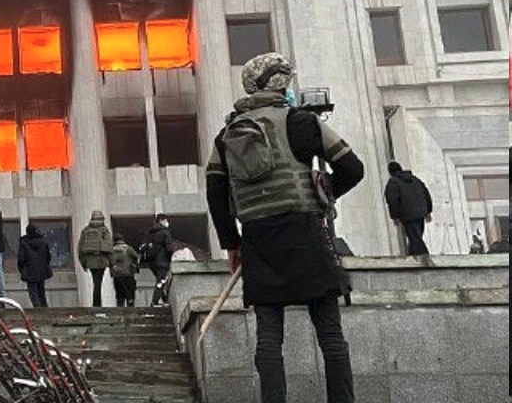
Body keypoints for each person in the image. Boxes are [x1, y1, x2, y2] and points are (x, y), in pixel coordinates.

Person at [206, 51, 364, 403]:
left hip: (258, 240)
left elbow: (215, 193)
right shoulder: (302, 121)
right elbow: (353, 167)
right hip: (306, 231)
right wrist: (323, 192)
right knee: (330, 334)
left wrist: (232, 244)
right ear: (281, 85)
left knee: (268, 337)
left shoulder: (227, 135)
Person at [384, 161, 433, 256]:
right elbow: (426, 193)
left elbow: (392, 200)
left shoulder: (393, 182)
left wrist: (395, 216)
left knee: (415, 238)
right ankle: (412, 257)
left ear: (390, 172)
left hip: (408, 214)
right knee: (415, 237)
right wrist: (428, 211)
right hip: (421, 213)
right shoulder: (415, 179)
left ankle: (426, 259)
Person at [76, 210, 112, 308]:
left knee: (95, 281)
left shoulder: (85, 230)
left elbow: (80, 248)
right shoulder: (104, 230)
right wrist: (111, 263)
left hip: (90, 260)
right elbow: (109, 246)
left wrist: (83, 263)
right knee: (98, 282)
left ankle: (96, 303)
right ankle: (97, 304)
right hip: (101, 260)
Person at [139, 214, 175, 306]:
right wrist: (172, 255)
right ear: (162, 220)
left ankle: (165, 300)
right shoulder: (165, 232)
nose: (168, 223)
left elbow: (143, 247)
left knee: (160, 280)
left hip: (151, 262)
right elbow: (169, 248)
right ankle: (154, 302)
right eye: (166, 220)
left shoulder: (149, 233)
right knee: (161, 281)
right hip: (162, 261)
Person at [17, 223, 52, 308]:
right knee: (41, 292)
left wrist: (22, 269)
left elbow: (21, 258)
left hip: (29, 270)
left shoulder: (24, 243)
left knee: (33, 293)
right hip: (42, 270)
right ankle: (45, 309)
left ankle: (37, 309)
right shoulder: (43, 241)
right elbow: (48, 256)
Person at [108, 235, 140, 307]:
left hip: (117, 275)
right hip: (128, 274)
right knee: (130, 294)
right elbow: (137, 257)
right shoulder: (128, 248)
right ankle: (131, 309)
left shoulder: (111, 250)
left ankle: (120, 309)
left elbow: (109, 262)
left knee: (119, 295)